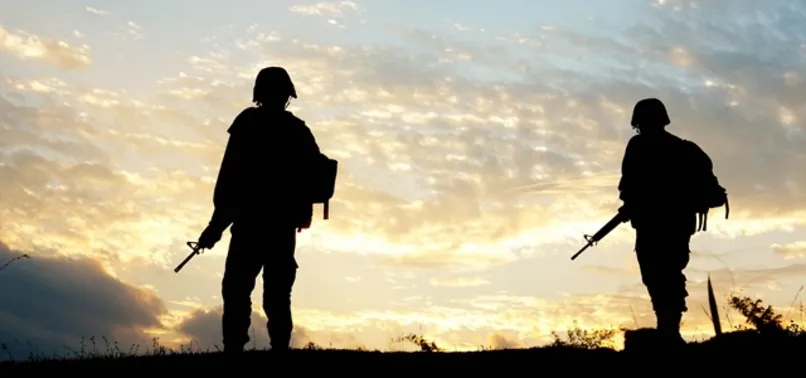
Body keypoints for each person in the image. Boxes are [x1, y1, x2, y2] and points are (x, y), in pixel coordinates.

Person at [195, 66, 321, 353]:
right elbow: (315, 174)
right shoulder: (298, 131)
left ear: (258, 93)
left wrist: (215, 228)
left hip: (249, 227)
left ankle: (234, 351)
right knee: (277, 296)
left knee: (237, 291)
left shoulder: (247, 125)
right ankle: (279, 350)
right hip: (281, 228)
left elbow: (229, 181)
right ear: (288, 95)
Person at [617, 98, 726, 347]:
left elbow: (628, 186)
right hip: (673, 224)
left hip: (658, 224)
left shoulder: (639, 146)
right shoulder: (681, 148)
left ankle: (668, 329)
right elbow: (629, 188)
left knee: (660, 274)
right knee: (666, 273)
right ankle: (668, 328)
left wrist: (634, 203)